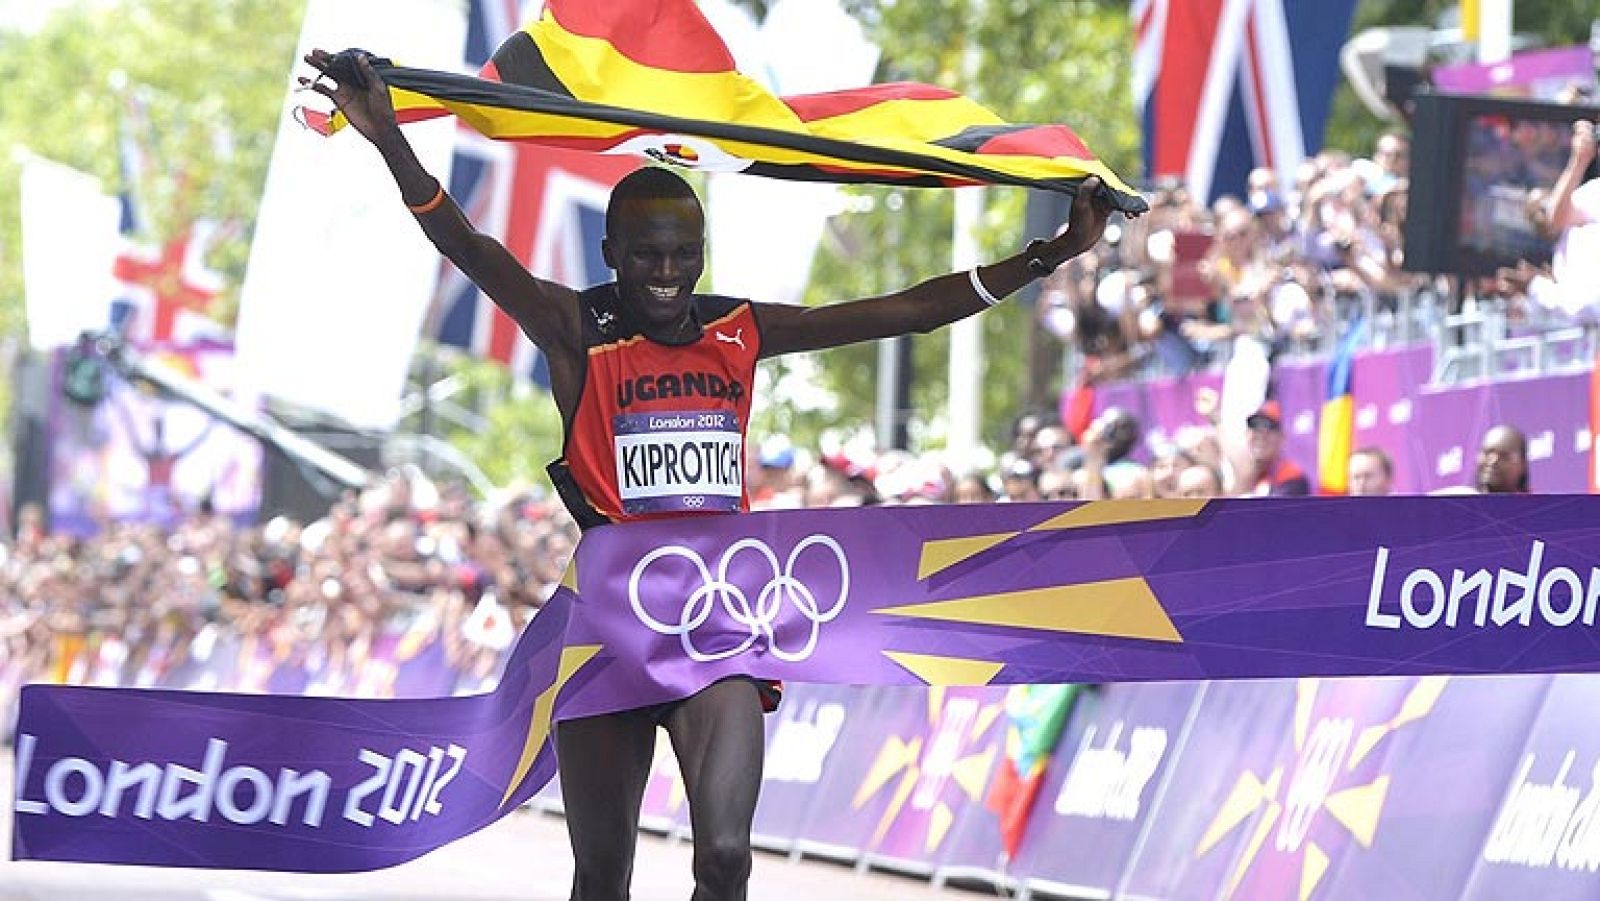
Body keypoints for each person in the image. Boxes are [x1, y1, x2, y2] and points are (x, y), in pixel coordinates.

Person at [301, 49, 1113, 901]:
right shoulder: (575, 325)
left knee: (726, 858)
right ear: (612, 251)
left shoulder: (739, 328)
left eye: (684, 254)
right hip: (611, 616)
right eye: (648, 255)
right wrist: (389, 137)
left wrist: (1049, 252)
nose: (666, 273)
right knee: (603, 878)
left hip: (719, 615)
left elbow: (905, 311)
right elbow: (464, 243)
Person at [1476, 424, 1530, 495]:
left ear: (1522, 465)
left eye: (1504, 455)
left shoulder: (1539, 505)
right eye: (1487, 453)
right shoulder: (1461, 503)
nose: (1493, 461)